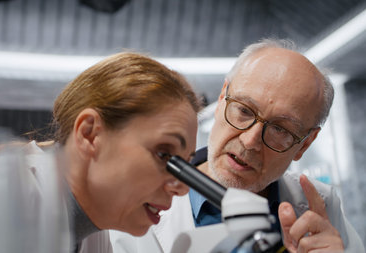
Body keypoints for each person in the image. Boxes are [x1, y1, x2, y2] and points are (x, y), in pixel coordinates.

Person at [109, 39, 365, 252]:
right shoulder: (131, 205)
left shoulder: (322, 209)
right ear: (222, 98)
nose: (250, 140)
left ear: (305, 144)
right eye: (244, 110)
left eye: (279, 129)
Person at [25, 52, 202, 252]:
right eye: (164, 154)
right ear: (90, 134)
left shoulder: (95, 233)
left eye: (185, 164)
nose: (182, 189)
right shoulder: (12, 196)